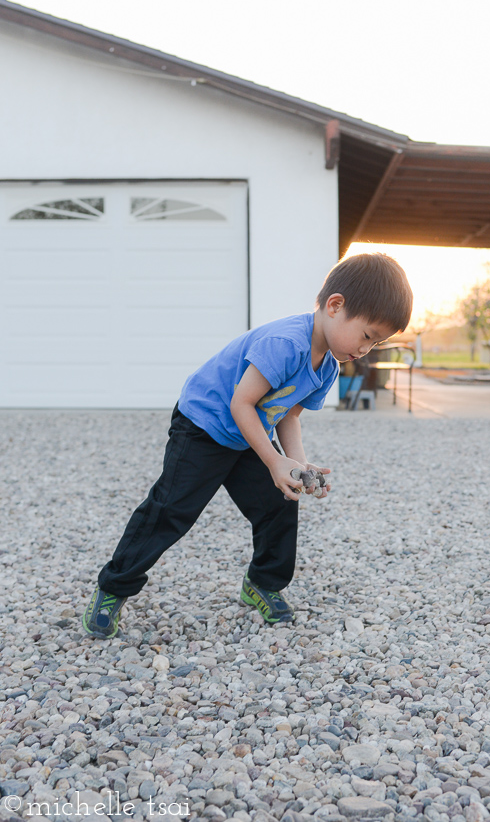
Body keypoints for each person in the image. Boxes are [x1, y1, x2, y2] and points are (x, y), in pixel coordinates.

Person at [82, 252, 412, 637]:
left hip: (248, 431)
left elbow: (288, 415)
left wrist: (298, 466)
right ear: (335, 306)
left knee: (279, 505)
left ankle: (262, 584)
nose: (365, 350)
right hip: (204, 425)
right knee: (171, 510)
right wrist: (272, 460)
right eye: (368, 336)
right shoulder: (286, 343)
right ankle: (113, 588)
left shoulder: (329, 366)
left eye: (377, 344)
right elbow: (241, 403)